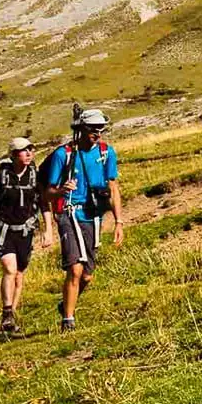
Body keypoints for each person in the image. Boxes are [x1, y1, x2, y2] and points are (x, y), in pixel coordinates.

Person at [40, 108, 124, 331]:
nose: (97, 133)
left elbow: (113, 187)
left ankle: (66, 303)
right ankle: (68, 321)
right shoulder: (63, 154)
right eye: (93, 129)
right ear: (82, 129)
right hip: (69, 213)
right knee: (75, 270)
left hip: (93, 216)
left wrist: (119, 222)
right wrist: (61, 191)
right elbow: (47, 193)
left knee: (86, 276)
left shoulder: (106, 152)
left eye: (101, 129)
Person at [0, 137, 42, 334]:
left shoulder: (36, 177)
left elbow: (43, 203)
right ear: (13, 154)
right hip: (3, 230)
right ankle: (6, 312)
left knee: (19, 275)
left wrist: (48, 229)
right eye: (23, 150)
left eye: (31, 149)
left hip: (25, 231)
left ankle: (11, 317)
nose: (29, 153)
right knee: (10, 269)